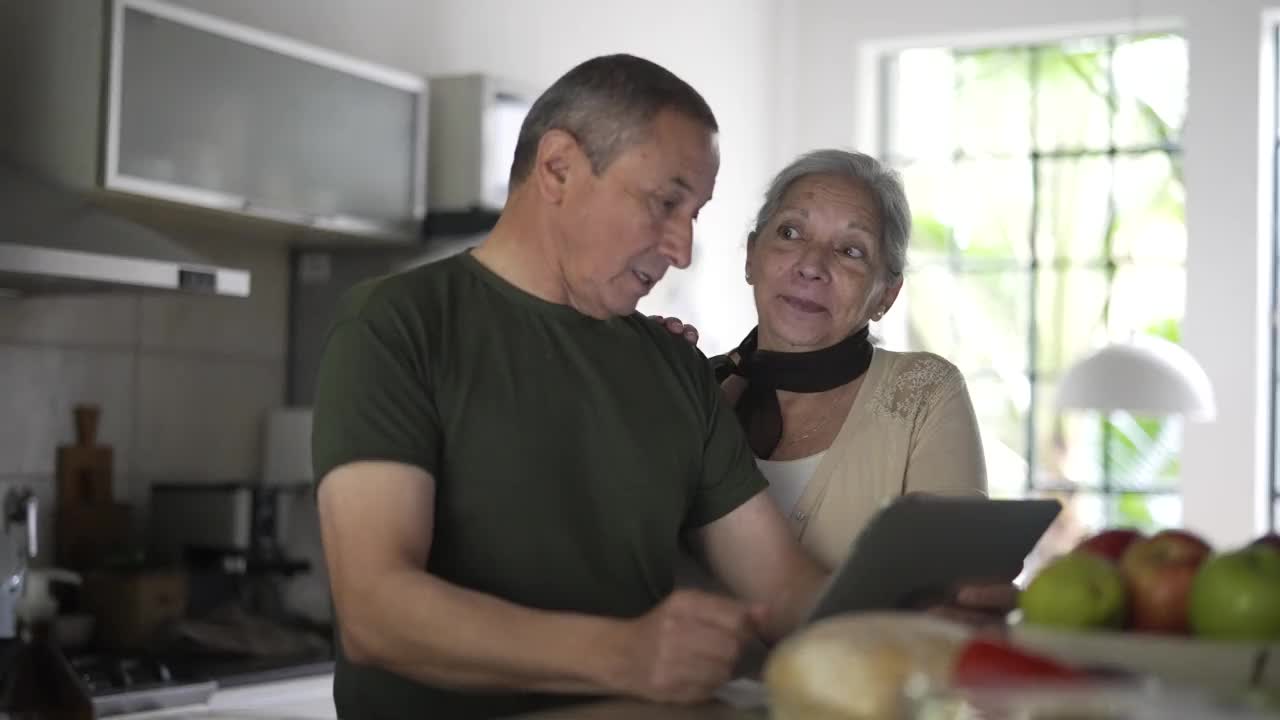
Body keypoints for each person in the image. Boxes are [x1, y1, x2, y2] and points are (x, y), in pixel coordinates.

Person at [309, 54, 828, 720]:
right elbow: (376, 612)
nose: (682, 248)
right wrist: (621, 654)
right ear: (558, 167)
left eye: (694, 213)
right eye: (665, 202)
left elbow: (782, 587)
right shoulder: (396, 325)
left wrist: (921, 617)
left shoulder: (671, 366)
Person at [661, 149, 1013, 621]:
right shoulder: (688, 386)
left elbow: (955, 596)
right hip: (679, 693)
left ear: (885, 295)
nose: (811, 265)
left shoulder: (924, 392)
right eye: (790, 233)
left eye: (850, 251)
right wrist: (643, 383)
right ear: (751, 257)